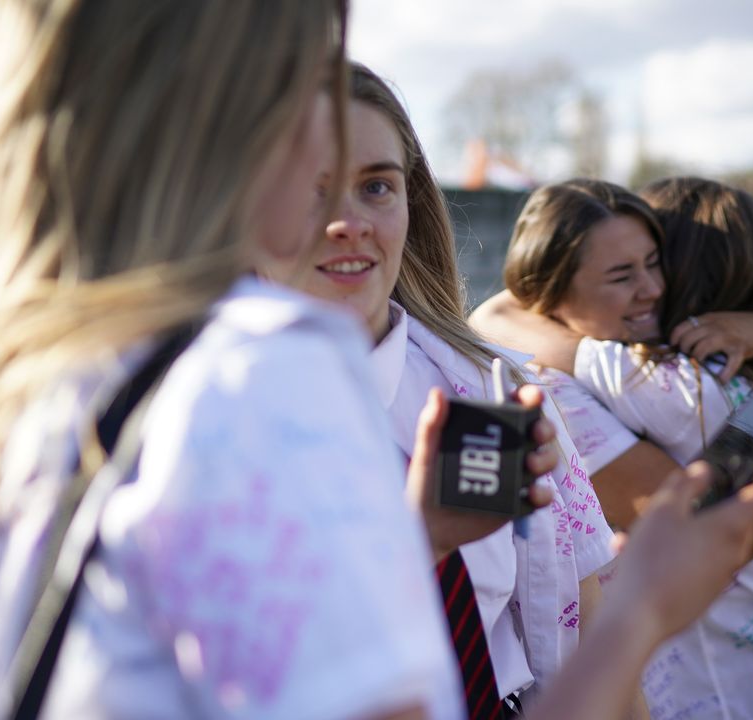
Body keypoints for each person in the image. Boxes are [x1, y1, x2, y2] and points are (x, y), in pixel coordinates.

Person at [0, 2, 753, 719]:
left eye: (378, 182)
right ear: (229, 122)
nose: (340, 202)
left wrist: (411, 536)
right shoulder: (252, 374)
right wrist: (639, 612)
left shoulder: (39, 373)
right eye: (305, 80)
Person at [260, 62, 618, 714]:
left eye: (376, 187)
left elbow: (593, 632)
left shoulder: (497, 392)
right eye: (308, 190)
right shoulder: (186, 424)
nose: (348, 222)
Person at [473, 178, 753, 719]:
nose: (653, 287)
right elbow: (707, 520)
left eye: (656, 263)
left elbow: (494, 313)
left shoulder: (681, 365)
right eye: (621, 273)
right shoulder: (650, 383)